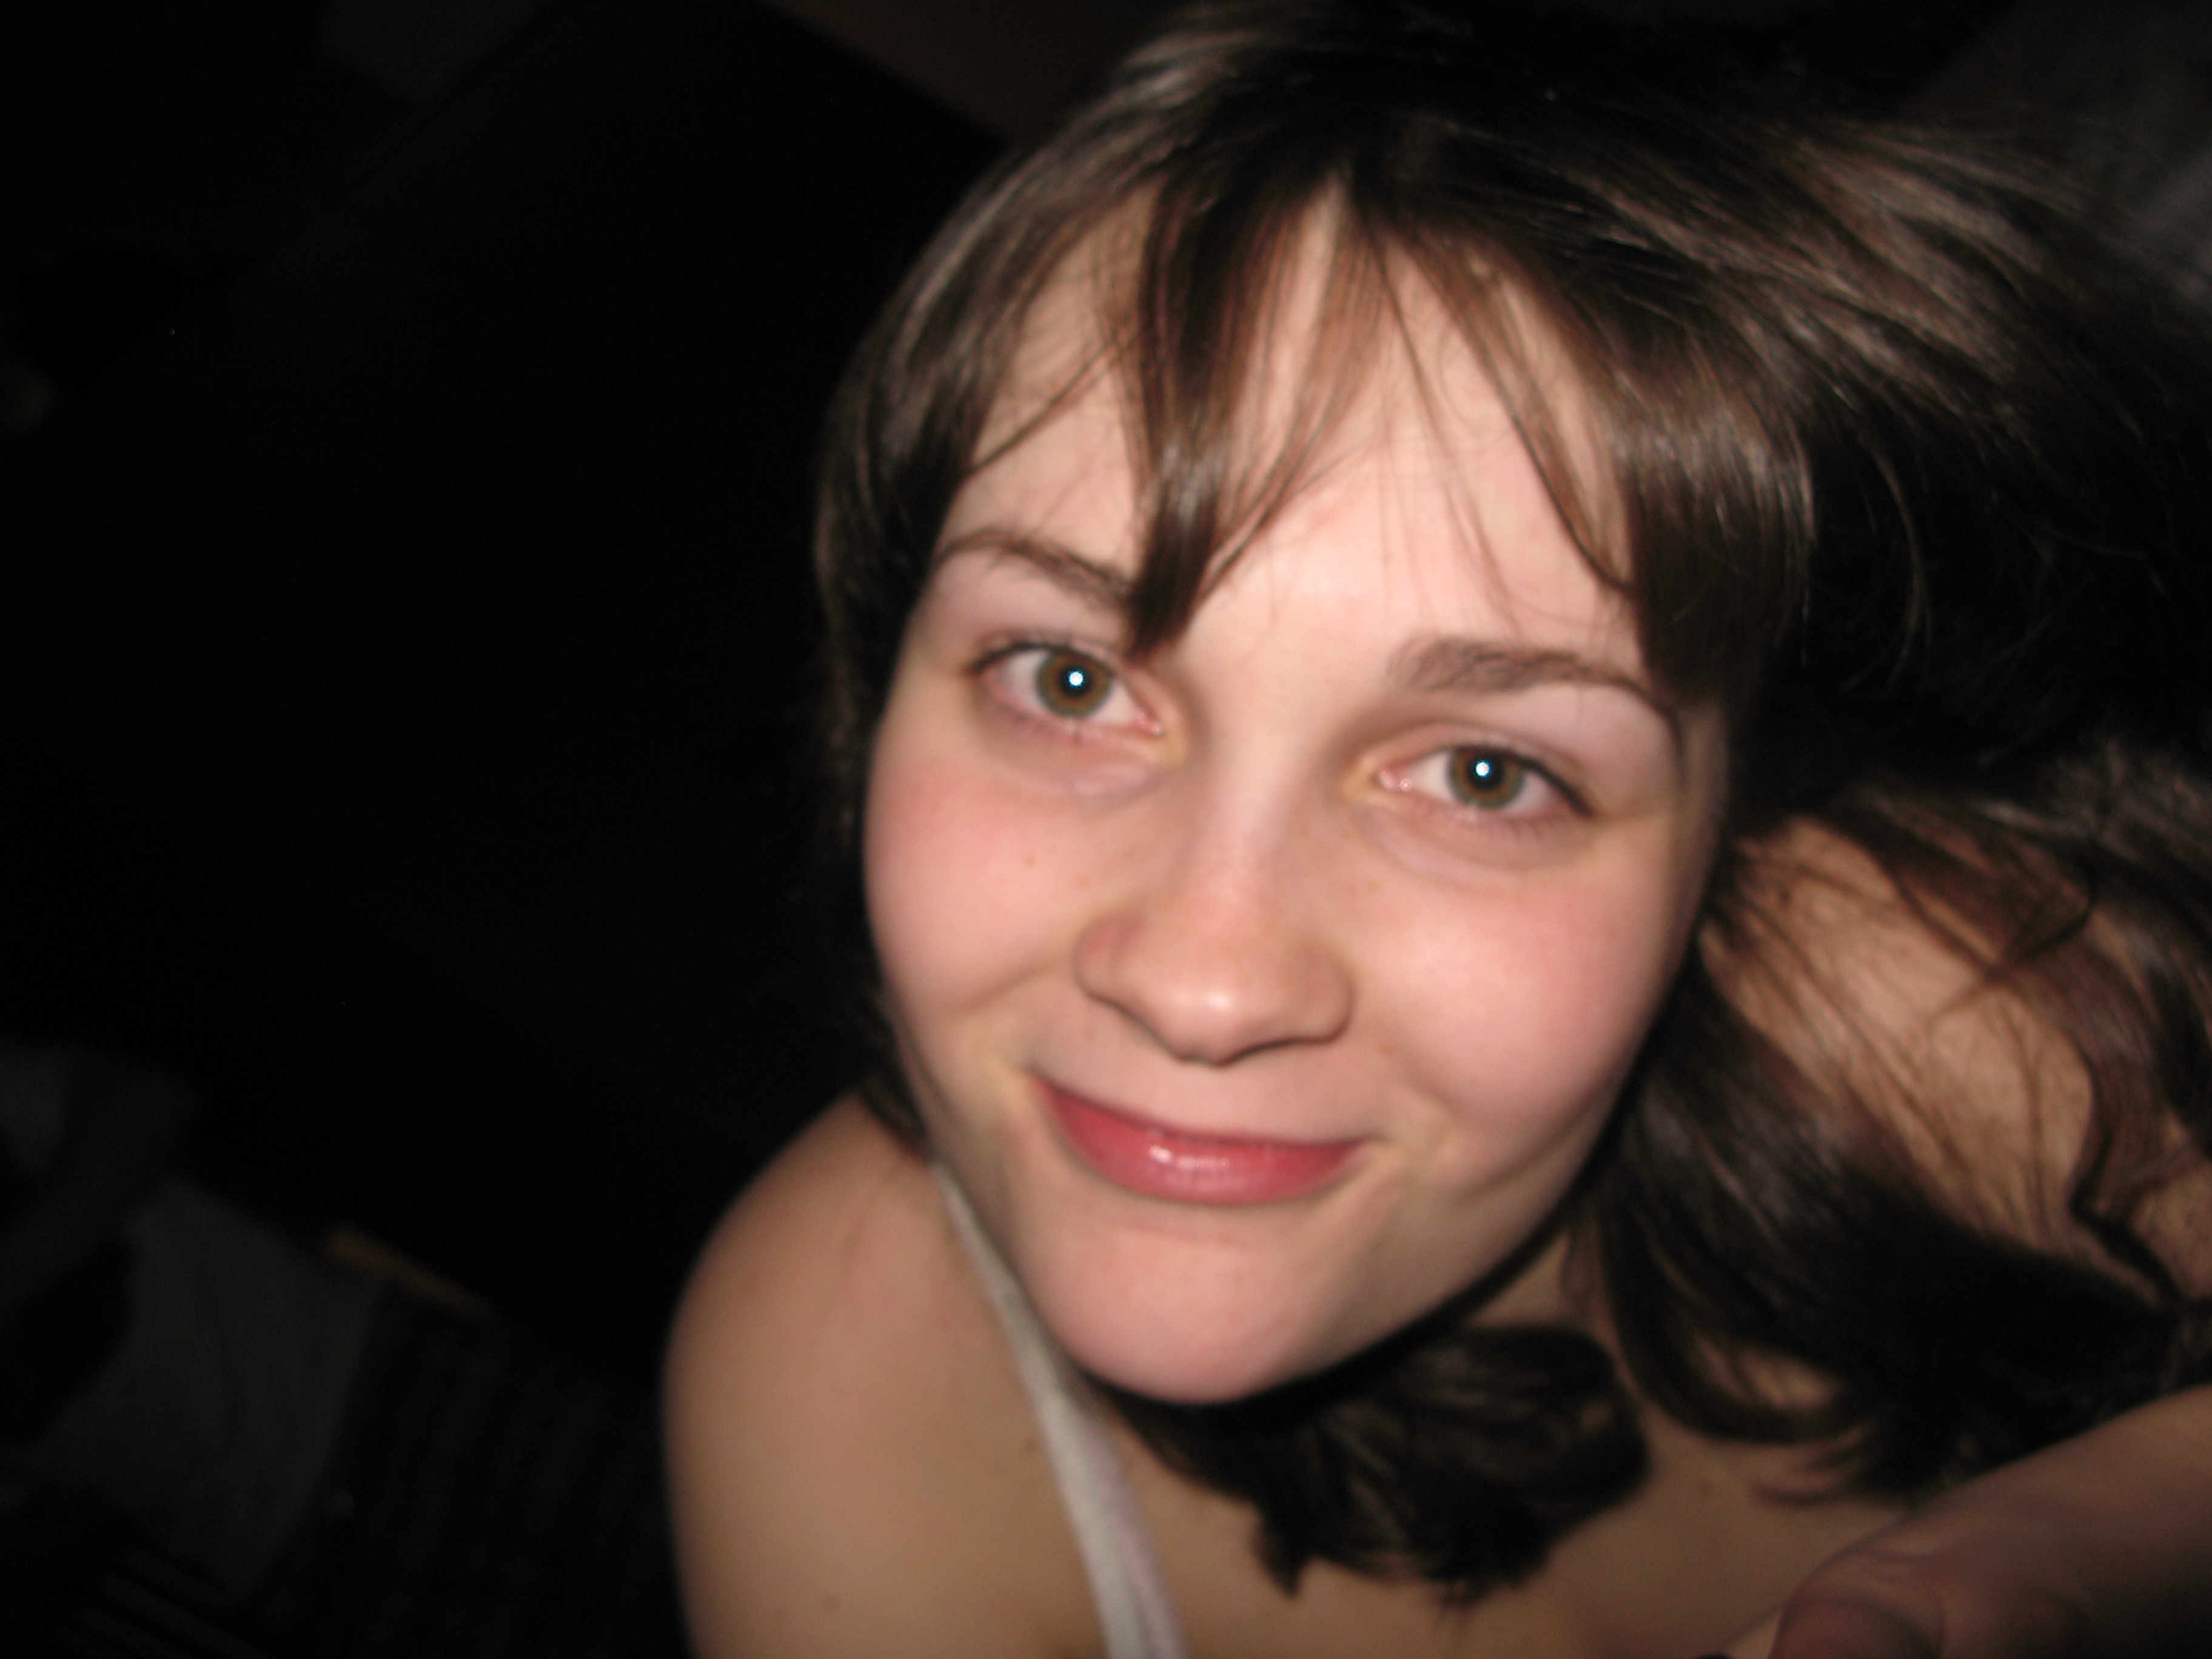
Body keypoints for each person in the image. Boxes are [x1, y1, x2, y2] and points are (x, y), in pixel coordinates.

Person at [665, 2, 2212, 1654]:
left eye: (1485, 773)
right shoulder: (833, 1404)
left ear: (1731, 831)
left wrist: (2063, 1560)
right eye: (1070, 679)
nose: (1202, 987)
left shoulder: (1950, 1004)